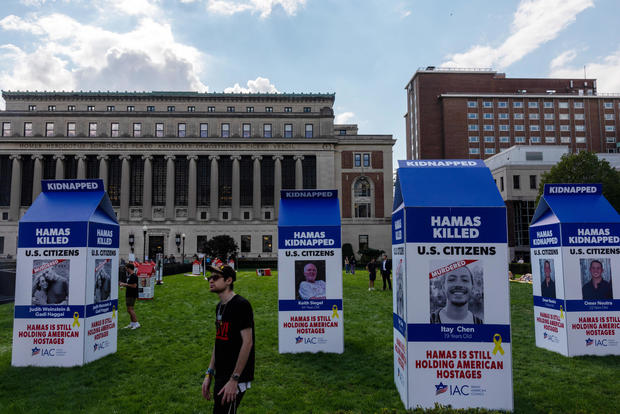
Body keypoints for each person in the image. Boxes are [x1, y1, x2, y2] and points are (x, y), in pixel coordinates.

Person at [202, 264, 255, 414]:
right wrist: (209, 373)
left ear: (228, 280)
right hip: (221, 373)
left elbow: (248, 342)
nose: (211, 280)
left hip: (235, 376)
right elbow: (219, 340)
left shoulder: (241, 305)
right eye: (210, 277)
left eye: (216, 277)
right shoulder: (219, 306)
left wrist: (234, 379)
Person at [120, 263, 140, 329]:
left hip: (132, 294)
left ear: (129, 268)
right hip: (129, 294)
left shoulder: (134, 276)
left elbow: (134, 286)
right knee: (129, 310)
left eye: (126, 268)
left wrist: (125, 284)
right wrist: (123, 284)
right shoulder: (130, 275)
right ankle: (132, 323)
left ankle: (136, 323)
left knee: (130, 309)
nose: (126, 269)